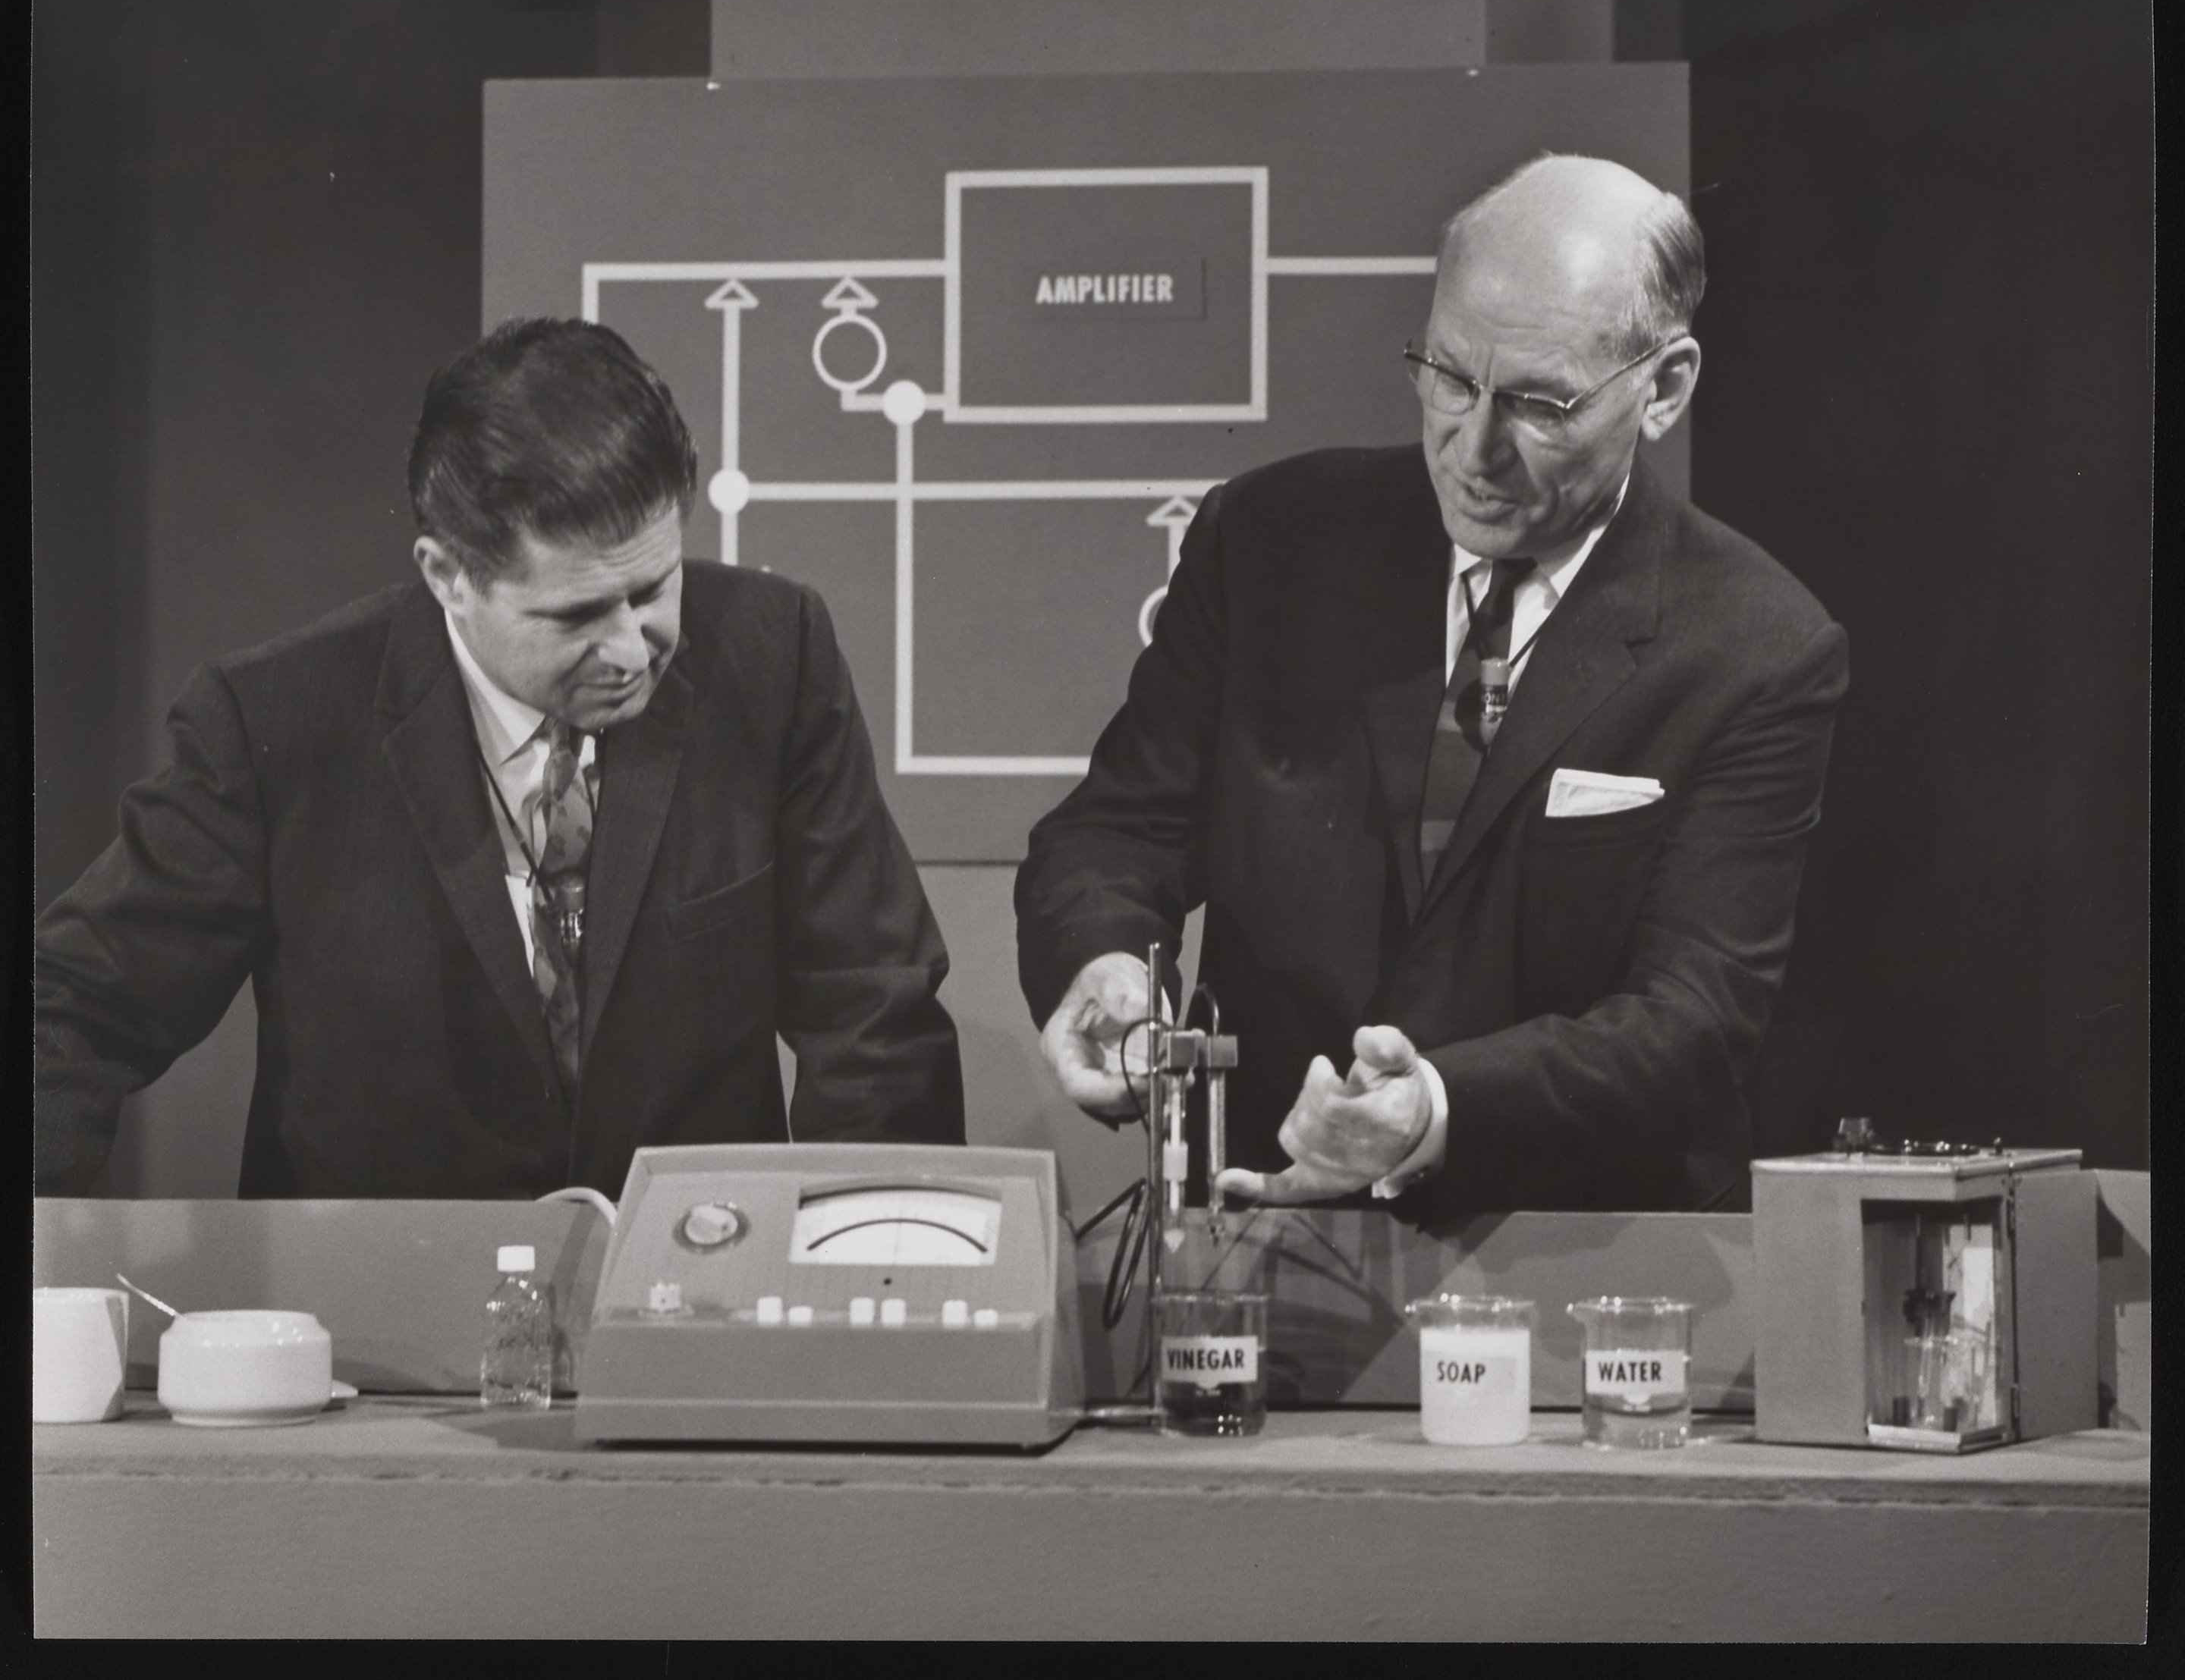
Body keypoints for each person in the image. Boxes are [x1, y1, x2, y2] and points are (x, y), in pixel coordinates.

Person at [1015, 154, 1847, 1217]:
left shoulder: (1758, 645)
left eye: (1539, 404)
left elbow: (1693, 1015)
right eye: (1450, 376)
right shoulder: (1267, 541)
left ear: (1665, 388)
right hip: (1269, 1233)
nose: (1474, 449)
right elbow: (1116, 833)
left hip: (1583, 1250)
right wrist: (1107, 964)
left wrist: (1439, 1108)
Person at [37, 317, 965, 1197]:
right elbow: (73, 1006)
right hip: (379, 1298)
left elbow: (872, 1011)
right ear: (448, 575)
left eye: (652, 589)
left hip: (688, 1282)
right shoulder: (275, 721)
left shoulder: (773, 653)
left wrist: (872, 1269)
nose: (633, 649)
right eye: (576, 614)